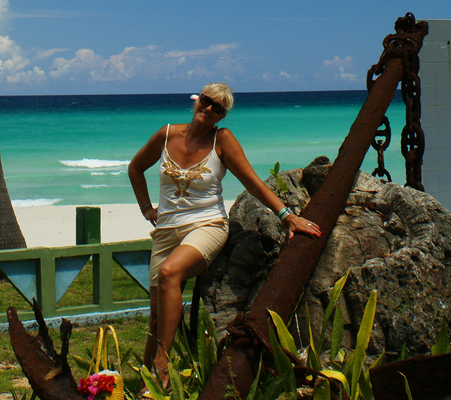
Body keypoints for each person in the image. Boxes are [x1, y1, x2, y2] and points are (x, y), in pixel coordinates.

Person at [128, 84, 319, 387]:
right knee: (156, 316)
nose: (210, 109)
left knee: (169, 273)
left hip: (207, 226)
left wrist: (287, 216)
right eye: (206, 101)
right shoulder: (166, 134)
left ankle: (162, 364)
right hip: (165, 232)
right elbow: (135, 168)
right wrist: (146, 208)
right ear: (196, 101)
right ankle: (150, 385)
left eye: (219, 108)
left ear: (222, 115)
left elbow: (253, 182)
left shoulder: (222, 139)